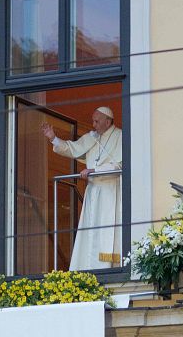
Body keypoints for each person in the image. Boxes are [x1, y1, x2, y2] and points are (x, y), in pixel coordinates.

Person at [41, 106, 122, 271]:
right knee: (90, 232)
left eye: (97, 121)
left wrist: (94, 170)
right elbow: (73, 148)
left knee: (108, 233)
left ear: (108, 121)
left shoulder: (120, 136)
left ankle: (109, 265)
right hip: (92, 191)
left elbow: (120, 165)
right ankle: (87, 268)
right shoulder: (92, 137)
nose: (93, 124)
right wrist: (53, 138)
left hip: (111, 191)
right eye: (93, 120)